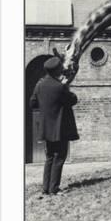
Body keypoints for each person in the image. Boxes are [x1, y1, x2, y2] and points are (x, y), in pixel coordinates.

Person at [30, 56, 79, 196]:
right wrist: (66, 86)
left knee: (50, 157)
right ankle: (54, 189)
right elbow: (73, 100)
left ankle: (45, 189)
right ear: (58, 70)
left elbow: (32, 103)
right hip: (60, 129)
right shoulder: (60, 86)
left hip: (46, 128)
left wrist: (46, 106)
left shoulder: (39, 84)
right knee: (59, 157)